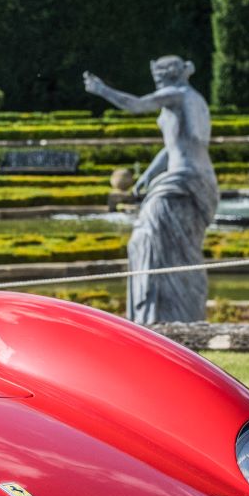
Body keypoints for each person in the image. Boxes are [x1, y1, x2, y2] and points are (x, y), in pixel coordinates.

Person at [83, 58, 218, 325]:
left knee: (147, 238)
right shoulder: (194, 100)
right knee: (178, 248)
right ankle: (178, 311)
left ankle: (160, 315)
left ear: (173, 74)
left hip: (184, 181)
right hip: (192, 179)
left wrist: (102, 90)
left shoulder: (177, 94)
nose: (156, 80)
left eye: (160, 74)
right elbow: (175, 146)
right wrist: (149, 174)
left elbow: (136, 105)